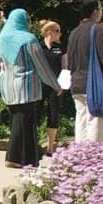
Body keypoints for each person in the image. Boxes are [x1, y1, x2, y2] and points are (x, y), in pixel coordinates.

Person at [0, 7, 60, 168]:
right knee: (25, 121)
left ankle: (28, 159)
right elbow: (41, 65)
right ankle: (16, 157)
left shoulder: (1, 39)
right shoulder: (28, 39)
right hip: (26, 86)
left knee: (19, 120)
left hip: (8, 86)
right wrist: (55, 84)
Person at [66, 0, 103, 143]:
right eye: (100, 8)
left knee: (81, 121)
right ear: (95, 11)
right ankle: (92, 156)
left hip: (77, 83)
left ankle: (80, 156)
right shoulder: (98, 30)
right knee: (96, 121)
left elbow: (69, 58)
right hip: (95, 83)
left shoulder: (74, 32)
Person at [40, 20, 67, 155]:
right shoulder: (39, 47)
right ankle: (36, 143)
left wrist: (62, 85)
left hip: (55, 87)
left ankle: (50, 147)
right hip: (40, 85)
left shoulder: (60, 48)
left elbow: (65, 67)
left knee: (53, 114)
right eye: (57, 30)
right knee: (36, 113)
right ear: (49, 31)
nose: (60, 33)